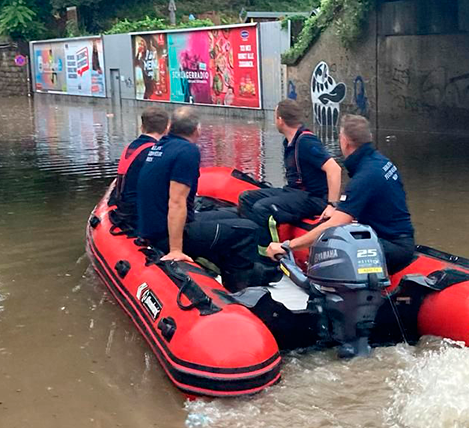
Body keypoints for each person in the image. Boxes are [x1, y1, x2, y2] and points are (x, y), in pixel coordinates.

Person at [136, 107, 273, 291]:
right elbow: (176, 202)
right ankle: (240, 292)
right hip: (165, 235)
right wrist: (176, 249)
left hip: (154, 227)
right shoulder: (187, 151)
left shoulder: (162, 145)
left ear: (170, 128)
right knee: (248, 230)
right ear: (197, 130)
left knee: (234, 214)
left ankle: (224, 266)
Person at [266, 115, 415, 273]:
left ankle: (324, 291)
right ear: (368, 138)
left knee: (329, 246)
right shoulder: (380, 162)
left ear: (344, 141)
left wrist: (287, 245)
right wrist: (336, 208)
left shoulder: (365, 176)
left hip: (392, 247)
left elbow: (333, 224)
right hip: (398, 239)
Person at [238, 98, 342, 250]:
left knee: (262, 208)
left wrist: (332, 204)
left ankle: (270, 256)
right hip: (294, 191)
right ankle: (251, 246)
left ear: (280, 120)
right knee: (246, 198)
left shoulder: (306, 142)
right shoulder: (289, 142)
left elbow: (334, 169)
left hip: (313, 198)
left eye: (275, 117)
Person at [112, 107, 169, 220]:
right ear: (167, 129)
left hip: (123, 205)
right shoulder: (156, 151)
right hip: (137, 211)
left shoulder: (132, 146)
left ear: (142, 127)